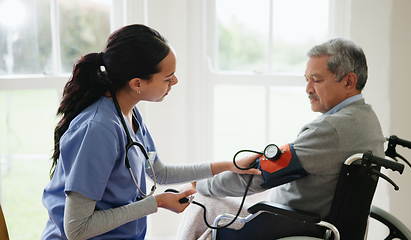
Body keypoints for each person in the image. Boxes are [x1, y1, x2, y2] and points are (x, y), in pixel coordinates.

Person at [41, 24, 259, 240]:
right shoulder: (98, 130)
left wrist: (229, 165)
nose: (175, 81)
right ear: (137, 83)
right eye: (168, 77)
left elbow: (157, 172)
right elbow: (76, 229)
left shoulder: (127, 112)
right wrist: (157, 202)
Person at [181, 38, 385, 238]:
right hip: (310, 213)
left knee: (204, 200)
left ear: (349, 81)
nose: (308, 89)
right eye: (307, 80)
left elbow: (259, 176)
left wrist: (200, 184)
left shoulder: (331, 129)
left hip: (290, 223)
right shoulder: (367, 119)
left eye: (316, 80)